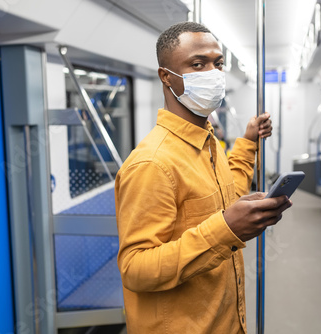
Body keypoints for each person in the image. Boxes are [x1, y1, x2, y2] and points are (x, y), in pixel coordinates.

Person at [115, 21, 292, 333]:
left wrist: (249, 142)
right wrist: (226, 229)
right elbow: (135, 270)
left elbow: (228, 196)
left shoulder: (208, 143)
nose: (214, 73)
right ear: (166, 77)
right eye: (198, 64)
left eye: (218, 63)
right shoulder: (152, 163)